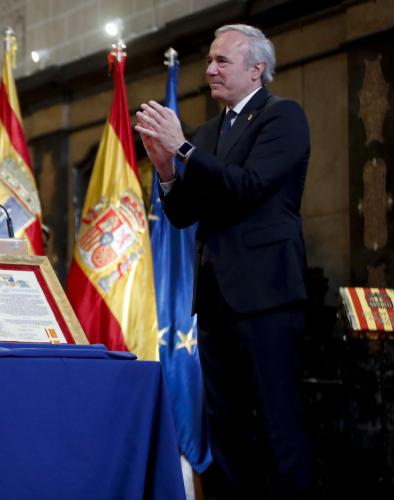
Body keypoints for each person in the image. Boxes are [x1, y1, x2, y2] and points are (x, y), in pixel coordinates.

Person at [135, 24, 313, 499]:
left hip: (268, 298)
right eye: (209, 60)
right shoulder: (211, 131)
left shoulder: (283, 117)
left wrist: (183, 148)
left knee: (279, 427)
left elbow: (248, 186)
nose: (210, 70)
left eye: (222, 61)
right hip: (215, 302)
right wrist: (166, 169)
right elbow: (183, 213)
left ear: (256, 69)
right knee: (227, 431)